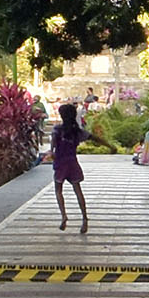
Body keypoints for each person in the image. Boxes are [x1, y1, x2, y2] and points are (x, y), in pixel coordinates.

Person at [49, 99, 91, 232]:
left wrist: (51, 152)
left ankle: (63, 216)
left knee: (58, 190)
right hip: (72, 163)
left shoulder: (57, 129)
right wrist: (110, 146)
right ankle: (84, 218)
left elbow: (53, 146)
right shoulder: (77, 131)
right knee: (78, 190)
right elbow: (93, 137)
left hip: (60, 163)